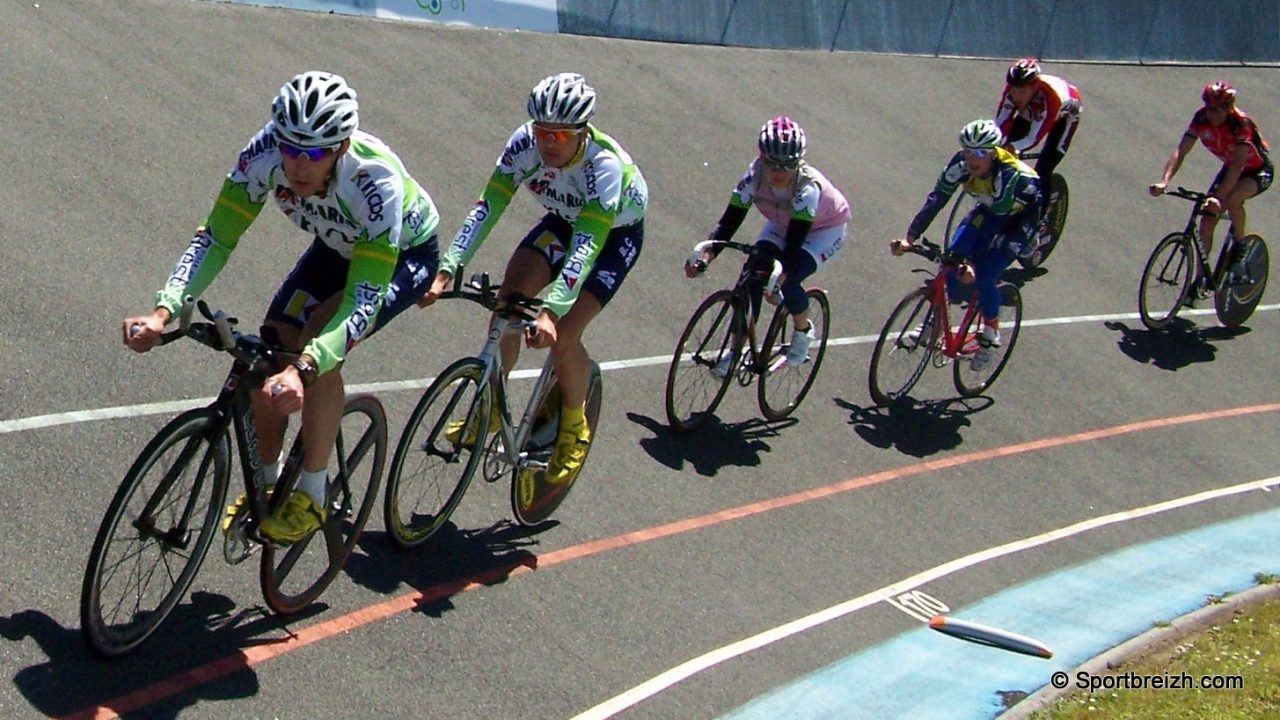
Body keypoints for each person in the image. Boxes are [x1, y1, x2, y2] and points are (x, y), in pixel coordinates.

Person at [123, 71, 441, 543]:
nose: (297, 164)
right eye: (290, 148)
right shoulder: (264, 153)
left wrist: (306, 369)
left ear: (340, 147)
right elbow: (216, 236)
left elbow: (361, 303)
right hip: (337, 245)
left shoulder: (375, 182)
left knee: (317, 338)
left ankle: (313, 493)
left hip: (400, 257)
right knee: (270, 349)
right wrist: (164, 309)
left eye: (313, 154)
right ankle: (267, 492)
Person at [420, 72, 646, 493]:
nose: (548, 142)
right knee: (507, 301)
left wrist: (552, 309)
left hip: (611, 238)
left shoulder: (605, 167)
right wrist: (448, 266)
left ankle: (574, 423)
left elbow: (587, 246)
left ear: (581, 133)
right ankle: (491, 406)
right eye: (542, 131)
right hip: (562, 223)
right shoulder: (523, 144)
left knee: (563, 336)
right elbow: (487, 207)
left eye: (560, 135)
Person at [684, 116, 850, 377]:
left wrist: (779, 278)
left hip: (822, 230)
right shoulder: (754, 176)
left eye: (788, 165)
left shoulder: (808, 189)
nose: (780, 172)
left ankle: (803, 331)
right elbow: (728, 223)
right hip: (783, 222)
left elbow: (794, 244)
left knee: (787, 279)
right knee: (752, 273)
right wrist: (706, 256)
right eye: (773, 165)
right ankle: (735, 351)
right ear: (761, 158)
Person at [890, 119, 1042, 370]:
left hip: (1017, 219)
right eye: (967, 150)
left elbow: (995, 225)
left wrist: (971, 263)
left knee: (984, 275)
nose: (972, 157)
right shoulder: (959, 165)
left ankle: (991, 335)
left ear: (994, 153)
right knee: (950, 261)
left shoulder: (1009, 175)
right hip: (988, 208)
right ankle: (934, 325)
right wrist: (910, 238)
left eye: (981, 152)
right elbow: (936, 200)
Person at [1148, 81, 1272, 286]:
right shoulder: (1201, 117)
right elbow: (1181, 150)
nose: (1212, 114)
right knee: (1206, 221)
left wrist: (1219, 197)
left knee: (1232, 199)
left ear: (1229, 108)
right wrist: (1165, 180)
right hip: (1231, 167)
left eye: (1218, 110)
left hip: (1256, 170)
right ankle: (1200, 279)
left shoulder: (1241, 124)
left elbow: (1238, 166)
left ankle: (1240, 247)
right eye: (1209, 108)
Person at [994, 58, 1082, 260]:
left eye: (1021, 91)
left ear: (1033, 86)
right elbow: (1000, 125)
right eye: (1013, 89)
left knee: (1043, 169)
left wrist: (1012, 148)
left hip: (1065, 115)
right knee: (1004, 145)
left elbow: (1034, 137)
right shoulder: (1013, 92)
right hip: (1034, 108)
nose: (1016, 95)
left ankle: (1034, 230)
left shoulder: (1051, 97)